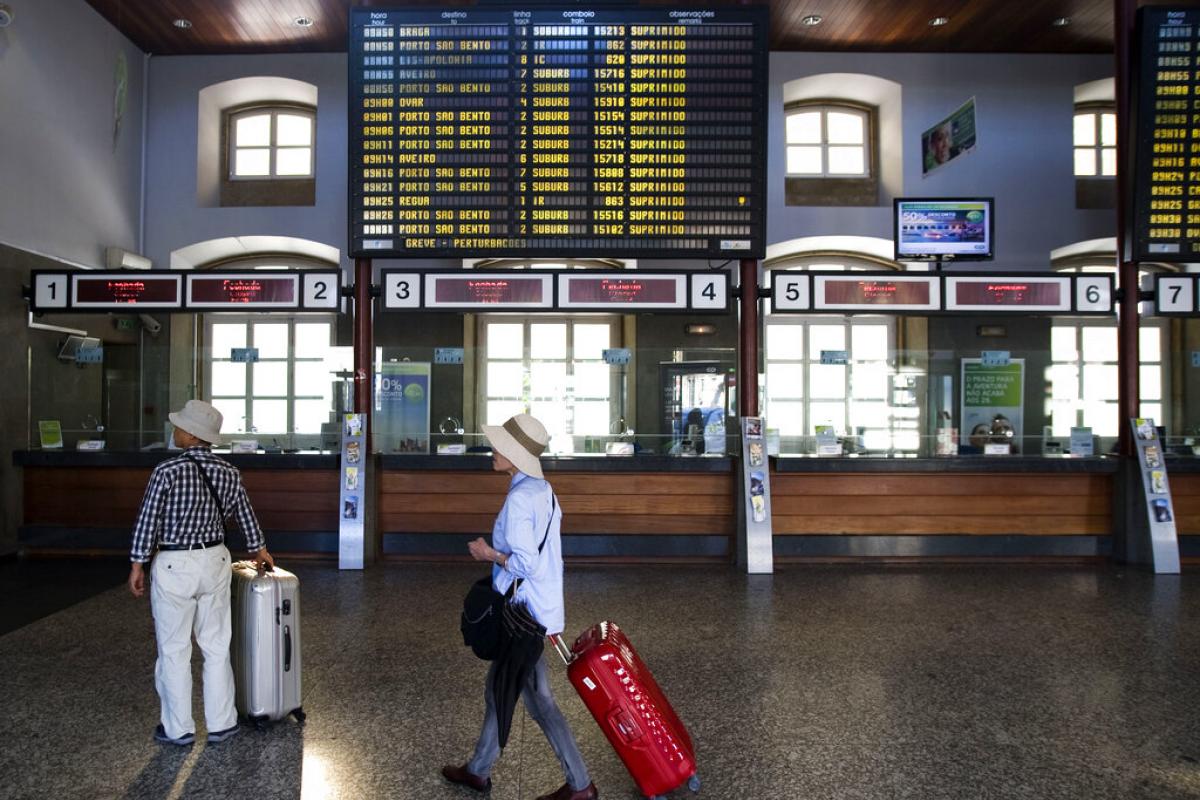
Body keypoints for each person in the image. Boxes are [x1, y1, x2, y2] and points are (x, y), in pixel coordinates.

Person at [442, 413, 599, 800]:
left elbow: (526, 563)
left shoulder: (519, 500)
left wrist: (488, 554)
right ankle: (479, 770)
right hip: (538, 609)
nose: (493, 451)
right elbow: (549, 557)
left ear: (517, 455)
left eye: (502, 447)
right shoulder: (544, 490)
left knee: (527, 696)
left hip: (521, 616)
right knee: (506, 689)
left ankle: (579, 785)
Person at [127, 399, 274, 746]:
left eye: (179, 426)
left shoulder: (167, 471)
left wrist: (137, 563)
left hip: (174, 563)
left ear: (192, 435)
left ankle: (178, 729)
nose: (175, 430)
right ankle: (221, 723)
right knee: (217, 644)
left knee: (174, 648)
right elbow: (246, 517)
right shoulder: (229, 472)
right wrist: (260, 550)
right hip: (216, 560)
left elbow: (148, 520)